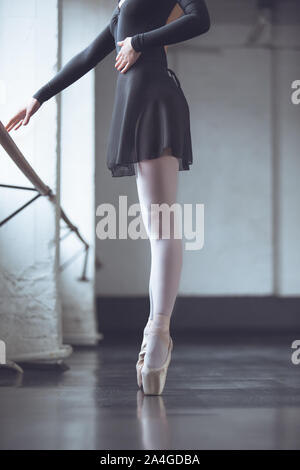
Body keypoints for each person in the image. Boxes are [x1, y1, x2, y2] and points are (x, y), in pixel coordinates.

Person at [5, 0, 211, 395]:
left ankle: (158, 333)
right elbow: (88, 56)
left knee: (162, 225)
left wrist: (141, 41)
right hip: (137, 103)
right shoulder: (122, 10)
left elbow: (199, 18)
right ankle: (157, 334)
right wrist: (39, 97)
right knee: (159, 226)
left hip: (153, 99)